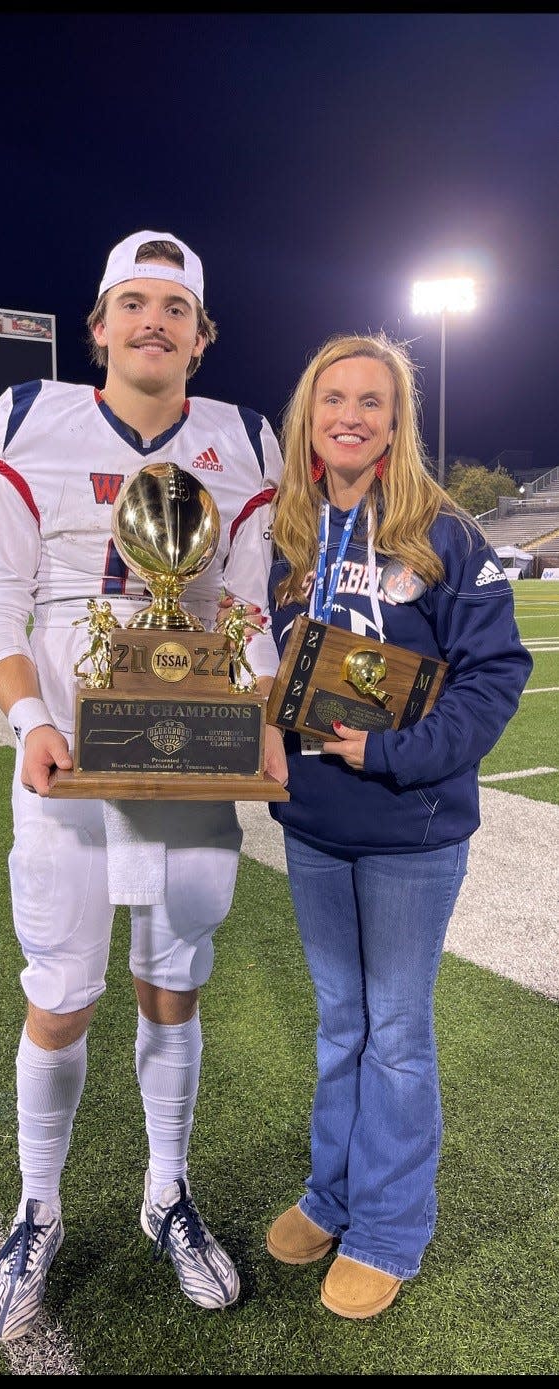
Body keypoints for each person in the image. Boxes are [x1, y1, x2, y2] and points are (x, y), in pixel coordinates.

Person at [0, 229, 286, 1341]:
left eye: (176, 309)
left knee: (174, 981)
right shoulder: (30, 417)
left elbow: (246, 612)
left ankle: (165, 1194)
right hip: (65, 766)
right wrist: (30, 721)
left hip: (191, 756)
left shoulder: (242, 441)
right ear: (99, 325)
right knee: (61, 993)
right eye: (133, 304)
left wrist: (260, 717)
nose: (154, 322)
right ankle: (40, 1208)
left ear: (202, 339)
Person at [262, 332, 533, 1320]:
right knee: (342, 1030)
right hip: (314, 824)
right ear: (310, 413)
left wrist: (393, 756)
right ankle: (334, 1197)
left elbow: (499, 672)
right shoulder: (288, 533)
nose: (351, 415)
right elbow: (273, 669)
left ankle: (390, 1228)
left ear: (396, 419)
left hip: (410, 825)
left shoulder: (443, 533)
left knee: (398, 1039)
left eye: (372, 401)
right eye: (334, 397)